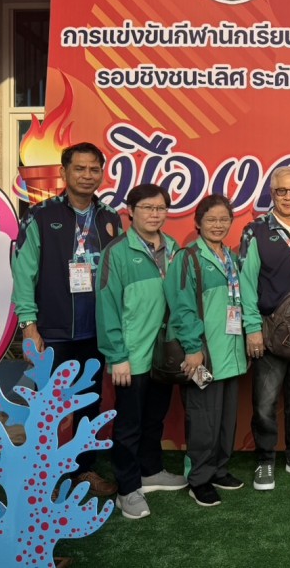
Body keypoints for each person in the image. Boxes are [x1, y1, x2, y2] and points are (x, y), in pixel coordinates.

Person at [11, 141, 120, 497]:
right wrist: (29, 326)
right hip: (53, 332)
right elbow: (23, 273)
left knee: (89, 402)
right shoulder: (40, 216)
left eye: (94, 169)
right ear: (64, 172)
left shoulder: (110, 218)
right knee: (47, 407)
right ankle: (40, 474)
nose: (87, 175)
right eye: (79, 168)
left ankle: (82, 470)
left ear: (101, 174)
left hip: (96, 332)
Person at [97, 184, 187, 519]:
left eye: (160, 208)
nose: (154, 214)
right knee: (129, 425)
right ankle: (127, 488)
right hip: (131, 357)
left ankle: (151, 471)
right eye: (147, 208)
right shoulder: (117, 252)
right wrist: (117, 355)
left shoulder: (173, 247)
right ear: (130, 212)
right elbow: (106, 307)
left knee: (154, 418)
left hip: (164, 356)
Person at [239, 166, 290, 491]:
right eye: (281, 191)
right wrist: (252, 329)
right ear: (272, 193)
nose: (288, 197)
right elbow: (246, 284)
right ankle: (265, 459)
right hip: (269, 331)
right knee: (265, 402)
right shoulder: (255, 231)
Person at [164, 194, 247, 508]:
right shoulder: (188, 258)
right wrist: (193, 348)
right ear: (198, 222)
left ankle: (219, 470)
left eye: (224, 219)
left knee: (225, 420)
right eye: (211, 219)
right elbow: (182, 307)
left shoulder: (231, 257)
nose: (218, 225)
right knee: (202, 421)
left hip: (231, 354)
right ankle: (198, 479)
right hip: (204, 355)